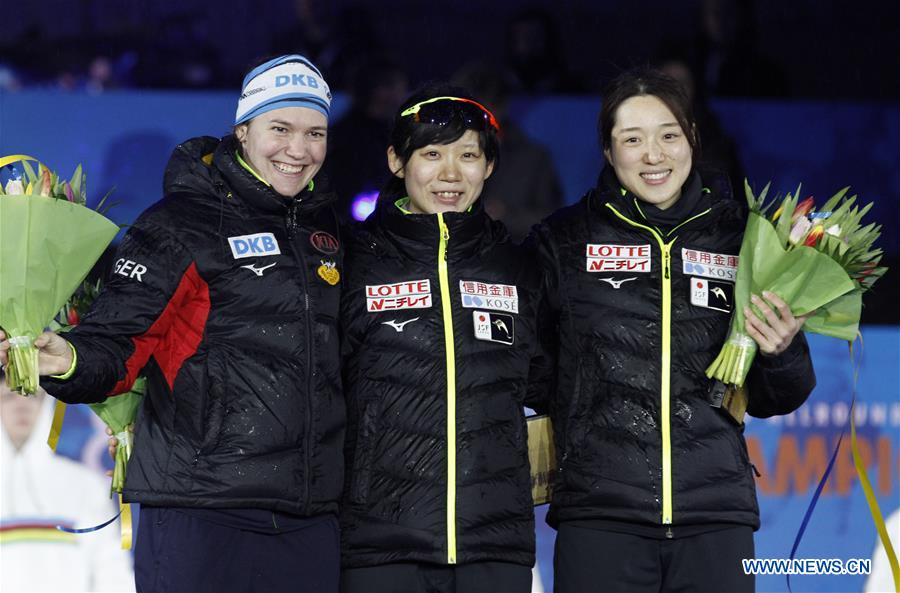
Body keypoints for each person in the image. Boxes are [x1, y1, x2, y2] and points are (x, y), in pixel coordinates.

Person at [0, 54, 344, 593]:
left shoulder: (330, 234)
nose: (298, 150)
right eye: (280, 128)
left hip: (310, 516)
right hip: (201, 510)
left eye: (315, 133)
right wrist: (65, 359)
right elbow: (117, 343)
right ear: (244, 130)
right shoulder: (180, 226)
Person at [531, 68, 816, 593]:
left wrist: (781, 351)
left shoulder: (744, 239)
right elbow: (534, 370)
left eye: (668, 135)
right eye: (632, 140)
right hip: (601, 516)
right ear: (607, 151)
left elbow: (781, 396)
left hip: (715, 516)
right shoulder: (562, 242)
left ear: (692, 137)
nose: (654, 155)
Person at [338, 85, 552, 593]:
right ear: (397, 160)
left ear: (489, 167)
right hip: (380, 545)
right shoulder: (354, 263)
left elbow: (558, 384)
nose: (451, 174)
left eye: (469, 156)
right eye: (432, 154)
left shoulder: (518, 267)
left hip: (493, 545)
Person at [1, 375, 135, 593]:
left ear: (46, 404)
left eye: (31, 396)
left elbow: (112, 573)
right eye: (8, 397)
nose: (21, 407)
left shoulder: (86, 485)